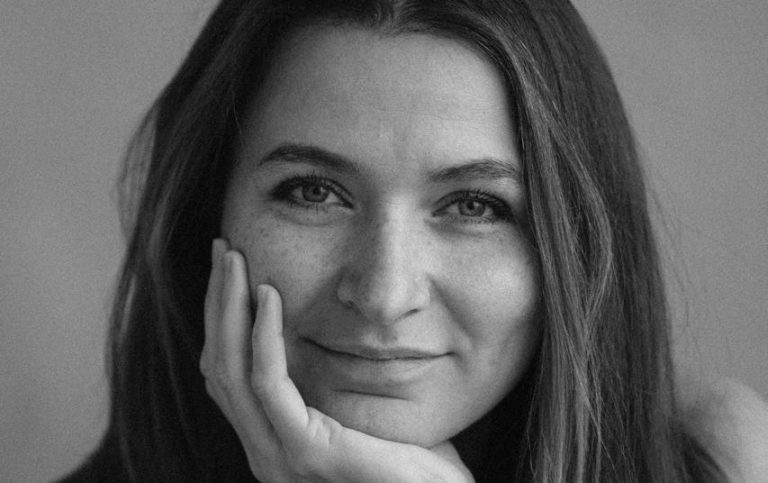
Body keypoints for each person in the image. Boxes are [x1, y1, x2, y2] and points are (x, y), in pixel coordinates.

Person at [59, 1, 767, 481]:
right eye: (313, 192)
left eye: (473, 205)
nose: (384, 294)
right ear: (206, 213)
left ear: (573, 248)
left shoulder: (723, 461)